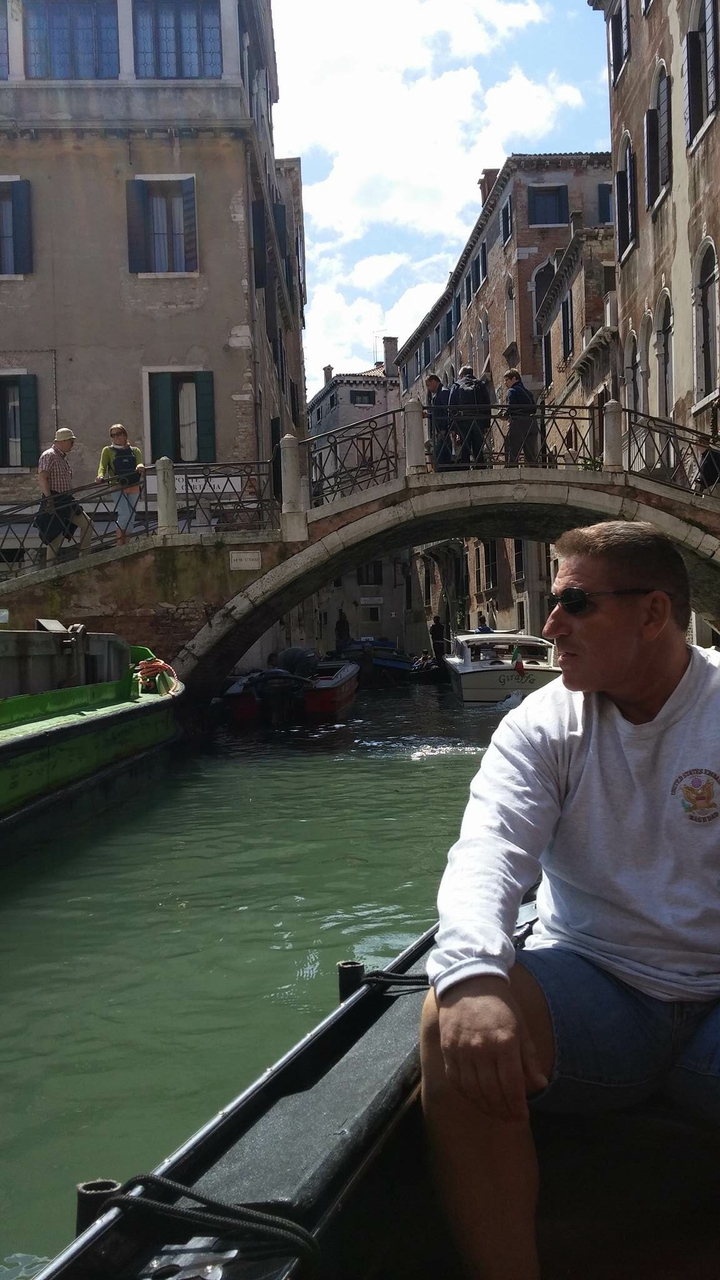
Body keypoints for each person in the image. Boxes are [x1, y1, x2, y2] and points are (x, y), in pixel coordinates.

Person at [420, 520, 720, 1280]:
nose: (549, 626)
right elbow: (488, 850)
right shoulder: (542, 723)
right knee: (448, 1014)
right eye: (555, 602)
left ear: (653, 614)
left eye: (576, 603)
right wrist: (475, 976)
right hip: (599, 993)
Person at [36, 428, 93, 564]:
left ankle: (84, 558)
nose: (72, 445)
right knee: (55, 536)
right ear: (63, 441)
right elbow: (42, 477)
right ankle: (50, 571)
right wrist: (49, 498)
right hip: (55, 499)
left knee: (87, 524)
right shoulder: (49, 455)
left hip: (67, 499)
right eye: (71, 442)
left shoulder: (61, 458)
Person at [96, 424, 145, 546]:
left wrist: (140, 466)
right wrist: (100, 476)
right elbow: (102, 466)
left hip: (134, 485)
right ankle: (119, 543)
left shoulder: (135, 451)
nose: (116, 437)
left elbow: (139, 463)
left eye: (118, 434)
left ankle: (126, 544)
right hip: (117, 485)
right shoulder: (107, 450)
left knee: (132, 516)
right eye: (113, 435)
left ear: (125, 435)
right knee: (125, 514)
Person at [449, 365, 492, 467]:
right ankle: (481, 468)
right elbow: (487, 405)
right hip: (479, 420)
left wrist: (453, 427)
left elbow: (451, 407)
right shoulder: (481, 385)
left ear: (462, 375)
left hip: (463, 420)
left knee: (465, 447)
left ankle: (465, 468)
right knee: (478, 446)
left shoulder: (456, 385)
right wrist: (487, 424)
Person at [503, 369, 540, 466]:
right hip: (532, 423)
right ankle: (534, 472)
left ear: (514, 378)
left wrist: (504, 415)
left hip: (518, 423)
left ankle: (510, 470)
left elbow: (511, 407)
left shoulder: (511, 391)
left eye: (507, 380)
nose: (505, 383)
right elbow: (533, 409)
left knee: (512, 449)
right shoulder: (528, 392)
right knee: (530, 453)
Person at [425, 374, 452, 468]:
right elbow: (438, 413)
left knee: (440, 457)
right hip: (441, 431)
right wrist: (427, 415)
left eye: (428, 385)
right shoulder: (438, 394)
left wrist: (444, 429)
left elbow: (446, 412)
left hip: (444, 431)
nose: (428, 388)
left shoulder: (444, 393)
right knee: (441, 456)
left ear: (433, 382)